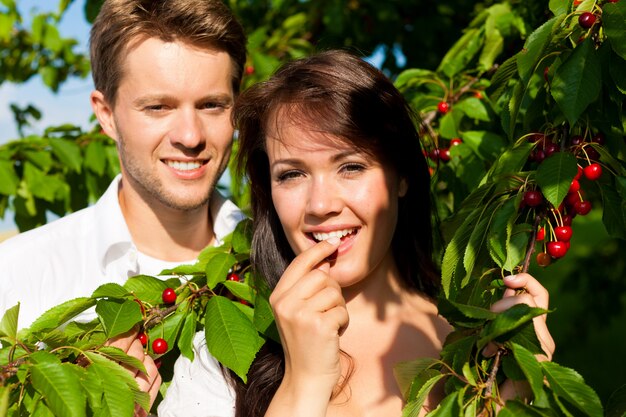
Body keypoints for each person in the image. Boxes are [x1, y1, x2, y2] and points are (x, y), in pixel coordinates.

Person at [225, 50, 554, 416]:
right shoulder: (230, 347)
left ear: (401, 177)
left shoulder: (471, 354)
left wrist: (519, 386)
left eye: (350, 167)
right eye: (291, 174)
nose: (320, 204)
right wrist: (305, 380)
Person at [0, 0, 247, 415]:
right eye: (158, 107)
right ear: (106, 114)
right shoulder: (16, 276)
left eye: (211, 105)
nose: (190, 135)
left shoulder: (282, 267)